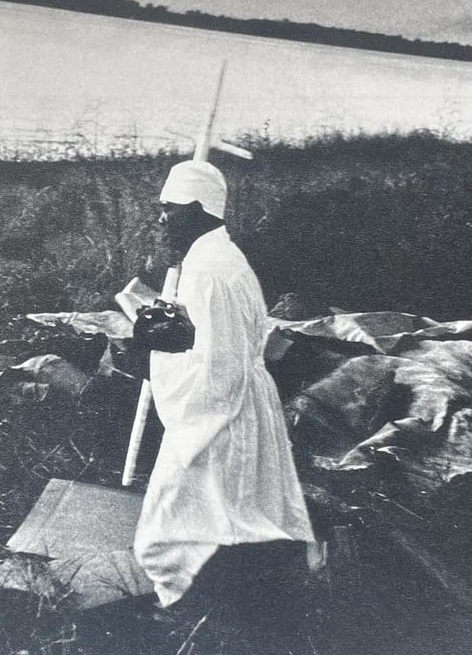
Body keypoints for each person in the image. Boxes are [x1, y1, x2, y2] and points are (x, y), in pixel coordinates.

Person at [132, 159, 316, 612]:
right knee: (228, 513)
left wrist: (157, 354)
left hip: (222, 410)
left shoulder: (211, 271)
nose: (161, 218)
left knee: (171, 529)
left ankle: (217, 612)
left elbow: (219, 367)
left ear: (196, 209)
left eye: (169, 209)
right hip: (237, 401)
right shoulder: (215, 257)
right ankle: (235, 605)